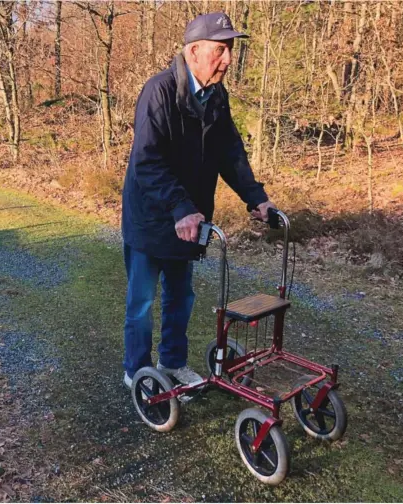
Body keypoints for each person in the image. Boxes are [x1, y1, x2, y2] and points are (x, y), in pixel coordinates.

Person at [121, 12, 276, 388]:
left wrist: (256, 197)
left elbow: (231, 153)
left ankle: (172, 362)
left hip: (189, 220)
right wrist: (180, 207)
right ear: (193, 51)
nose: (228, 60)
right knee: (142, 304)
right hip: (151, 217)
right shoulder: (158, 91)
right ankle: (137, 371)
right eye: (221, 51)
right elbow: (148, 161)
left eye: (231, 51)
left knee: (181, 297)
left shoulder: (216, 96)